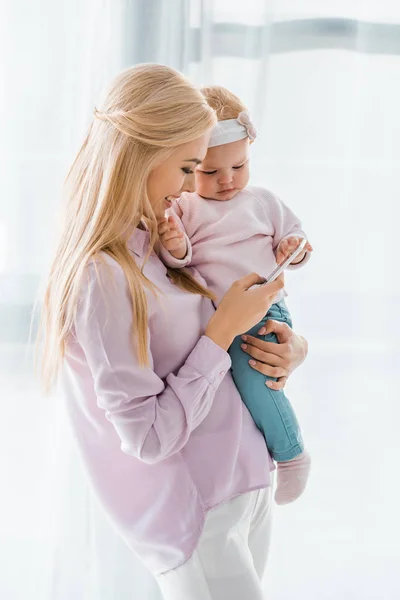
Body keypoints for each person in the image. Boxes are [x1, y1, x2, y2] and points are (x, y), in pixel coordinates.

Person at [39, 64, 308, 600]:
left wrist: (290, 348)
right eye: (188, 167)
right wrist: (221, 332)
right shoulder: (103, 275)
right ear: (144, 157)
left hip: (245, 484)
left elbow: (213, 339)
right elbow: (147, 437)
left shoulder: (156, 240)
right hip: (201, 513)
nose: (194, 186)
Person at [158, 85, 313, 506]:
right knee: (230, 389)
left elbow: (296, 241)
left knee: (254, 380)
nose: (227, 181)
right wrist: (174, 244)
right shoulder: (186, 208)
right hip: (222, 317)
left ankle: (292, 454)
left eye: (239, 166)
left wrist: (291, 250)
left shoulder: (262, 201)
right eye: (210, 172)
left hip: (263, 308)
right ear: (189, 168)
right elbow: (179, 261)